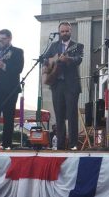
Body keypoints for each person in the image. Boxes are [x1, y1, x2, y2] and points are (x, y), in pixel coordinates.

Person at [44, 21, 84, 150]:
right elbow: (44, 59)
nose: (64, 33)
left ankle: (73, 144)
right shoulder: (53, 46)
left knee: (72, 115)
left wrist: (68, 59)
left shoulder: (77, 46)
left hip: (71, 85)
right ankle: (60, 145)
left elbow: (79, 59)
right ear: (59, 32)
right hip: (56, 84)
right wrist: (52, 61)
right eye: (62, 31)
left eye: (67, 31)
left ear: (70, 31)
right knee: (59, 116)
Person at [0, 29, 24, 150]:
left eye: (3, 39)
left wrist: (4, 66)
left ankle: (7, 144)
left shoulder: (17, 51)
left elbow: (19, 69)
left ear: (9, 38)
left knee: (8, 117)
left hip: (10, 89)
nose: (0, 41)